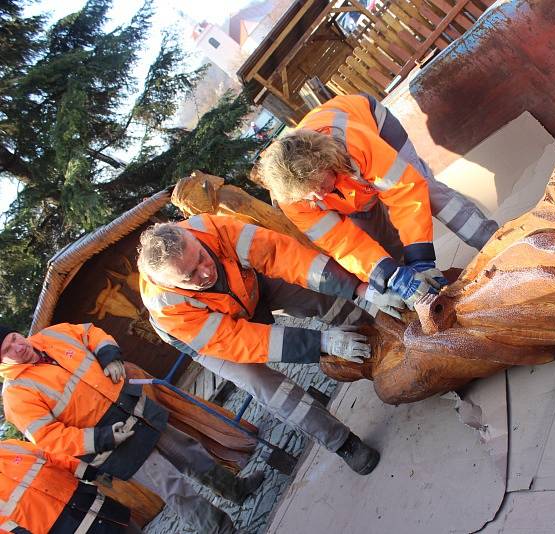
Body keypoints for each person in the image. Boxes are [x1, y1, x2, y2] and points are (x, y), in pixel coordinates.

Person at [137, 213, 381, 475]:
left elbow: (280, 253)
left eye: (201, 258)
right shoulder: (167, 306)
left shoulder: (213, 228)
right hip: (211, 338)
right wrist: (320, 342)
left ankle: (384, 344)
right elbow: (239, 341)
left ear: (194, 238)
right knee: (265, 385)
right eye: (190, 276)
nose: (206, 273)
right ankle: (344, 443)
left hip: (248, 284)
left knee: (317, 296)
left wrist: (355, 286)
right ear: (170, 283)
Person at [0, 323, 261, 533]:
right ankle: (222, 529)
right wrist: (102, 438)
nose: (16, 346)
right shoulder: (16, 395)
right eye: (6, 349)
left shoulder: (53, 335)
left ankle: (236, 489)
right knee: (173, 487)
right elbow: (49, 438)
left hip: (137, 410)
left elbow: (91, 333)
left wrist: (109, 356)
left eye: (13, 337)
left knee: (190, 452)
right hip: (113, 445)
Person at [253, 94, 499, 310]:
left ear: (324, 163)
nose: (317, 198)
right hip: (350, 187)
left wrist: (421, 258)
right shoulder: (293, 198)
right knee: (378, 243)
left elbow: (406, 192)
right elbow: (342, 243)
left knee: (429, 192)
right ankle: (425, 293)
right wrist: (394, 276)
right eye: (309, 196)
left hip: (375, 127)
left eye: (318, 186)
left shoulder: (353, 142)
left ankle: (494, 241)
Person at [0, 439, 140, 534]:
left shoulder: (7, 446)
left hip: (87, 500)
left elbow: (53, 456)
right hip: (59, 528)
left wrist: (90, 472)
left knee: (129, 526)